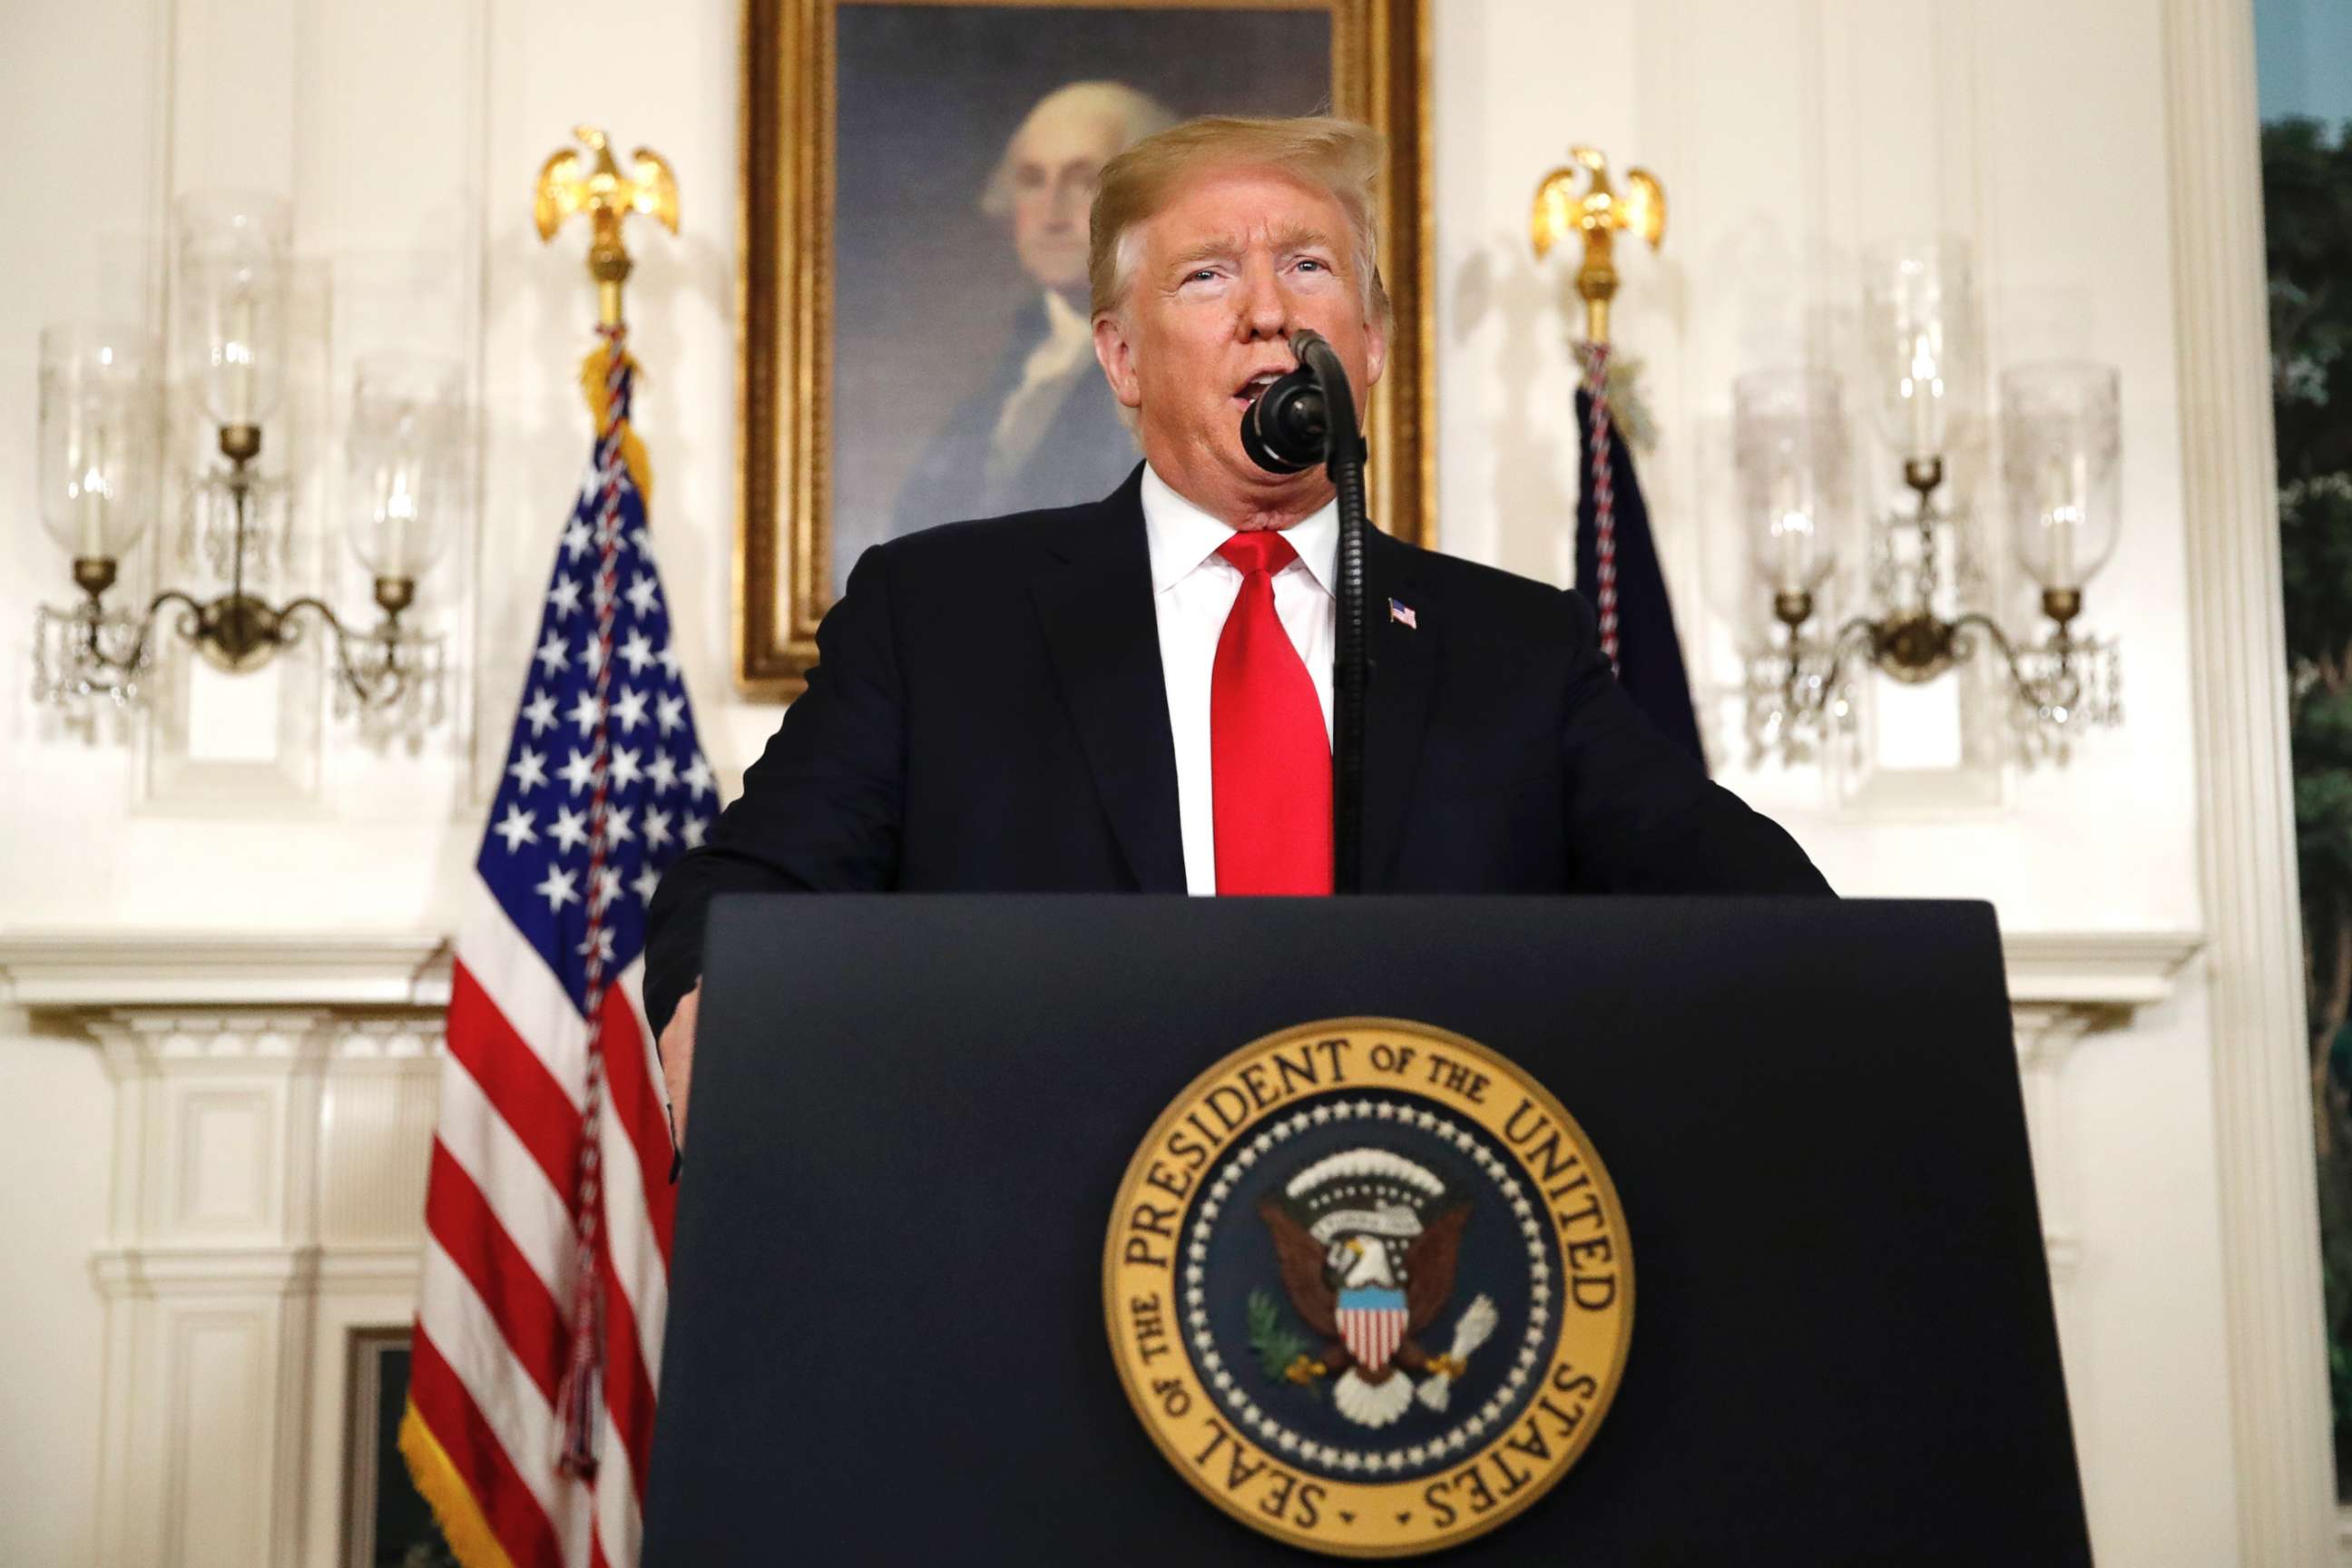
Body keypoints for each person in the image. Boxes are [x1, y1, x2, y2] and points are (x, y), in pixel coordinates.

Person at [649, 115, 1831, 1143]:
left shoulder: (1514, 650)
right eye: (1208, 277)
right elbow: (748, 889)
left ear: (1368, 344)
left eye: (1310, 267)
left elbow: (1752, 911)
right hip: (1039, 1262)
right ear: (1118, 354)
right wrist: (718, 1011)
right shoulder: (942, 619)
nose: (1270, 311)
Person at [887, 81, 1176, 540]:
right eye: (1033, 180)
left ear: (1147, 201)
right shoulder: (1003, 382)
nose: (1052, 210)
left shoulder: (1180, 372)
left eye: (1084, 181)